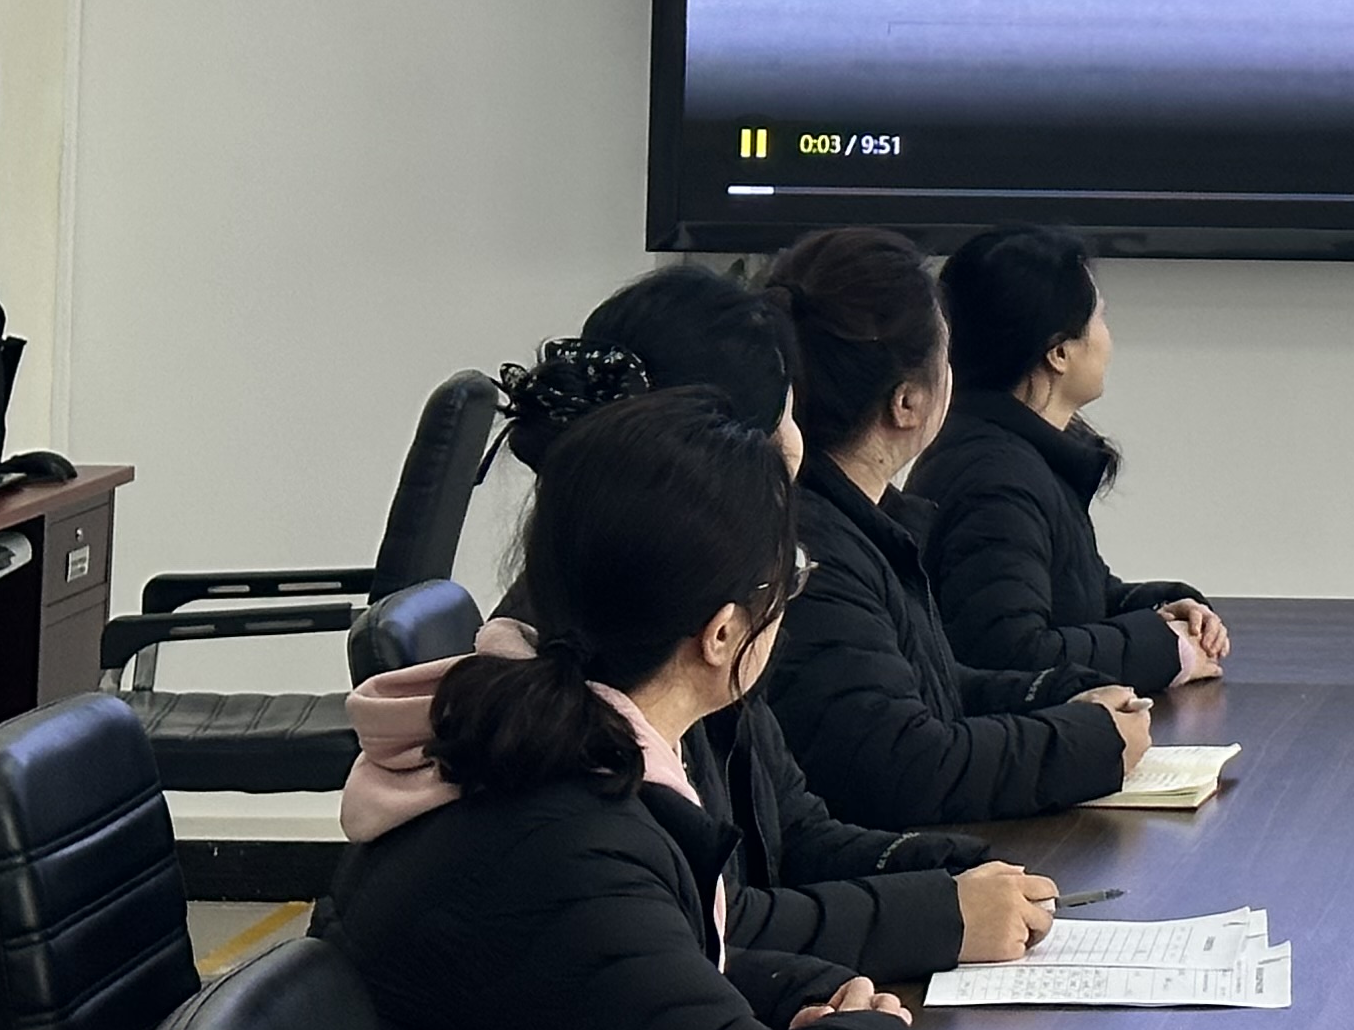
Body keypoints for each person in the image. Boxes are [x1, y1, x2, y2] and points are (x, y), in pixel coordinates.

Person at [314, 389, 926, 1030]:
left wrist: (805, 994)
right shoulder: (562, 836)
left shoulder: (550, 756)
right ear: (722, 634)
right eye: (789, 580)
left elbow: (639, 969)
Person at [503, 268, 1061, 979]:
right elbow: (703, 922)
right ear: (718, 446)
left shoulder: (700, 596)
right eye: (788, 416)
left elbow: (791, 831)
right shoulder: (611, 646)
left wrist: (959, 870)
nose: (799, 444)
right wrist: (942, 914)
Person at [760, 228, 1147, 825]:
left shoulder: (862, 523)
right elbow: (903, 762)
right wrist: (1085, 742)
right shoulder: (818, 555)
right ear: (907, 403)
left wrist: (1062, 697)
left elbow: (927, 689)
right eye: (945, 359)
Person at [917, 226, 1231, 693]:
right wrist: (1166, 650)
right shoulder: (997, 483)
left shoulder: (1018, 453)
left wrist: (1162, 610)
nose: (1108, 337)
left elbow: (1074, 600)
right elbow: (1007, 651)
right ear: (1060, 352)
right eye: (1100, 317)